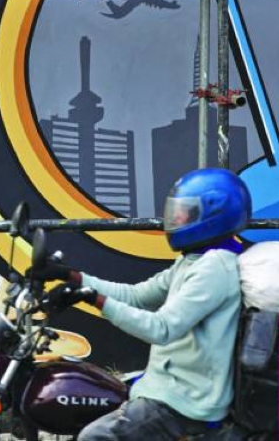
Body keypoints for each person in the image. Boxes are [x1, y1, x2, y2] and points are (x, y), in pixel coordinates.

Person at [36, 168, 251, 440]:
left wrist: (92, 297)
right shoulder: (192, 261)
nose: (176, 218)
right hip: (167, 386)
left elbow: (161, 328)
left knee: (95, 437)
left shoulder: (216, 268)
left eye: (186, 212)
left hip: (187, 402)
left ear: (214, 215)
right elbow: (136, 295)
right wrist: (70, 275)